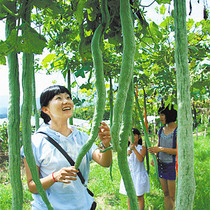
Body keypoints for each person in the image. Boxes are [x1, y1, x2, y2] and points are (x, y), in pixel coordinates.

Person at [21, 85, 112, 210]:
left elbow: (105, 162)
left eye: (68, 97)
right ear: (45, 109)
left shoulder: (82, 136)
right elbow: (32, 186)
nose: (66, 101)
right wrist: (54, 177)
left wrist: (106, 144)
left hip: (82, 206)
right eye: (59, 98)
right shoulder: (35, 142)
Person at [148, 105, 177, 210]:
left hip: (172, 166)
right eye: (160, 114)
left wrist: (160, 149)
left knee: (173, 196)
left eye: (162, 114)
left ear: (169, 115)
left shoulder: (177, 130)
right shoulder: (161, 130)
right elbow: (158, 145)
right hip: (161, 165)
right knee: (166, 194)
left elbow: (178, 151)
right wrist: (155, 156)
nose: (160, 117)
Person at [119, 128, 150, 210]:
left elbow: (141, 159)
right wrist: (126, 154)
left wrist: (134, 149)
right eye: (130, 135)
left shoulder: (142, 148)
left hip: (139, 175)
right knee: (130, 195)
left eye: (134, 135)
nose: (132, 137)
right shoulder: (125, 148)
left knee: (139, 196)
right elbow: (122, 162)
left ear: (139, 137)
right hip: (130, 175)